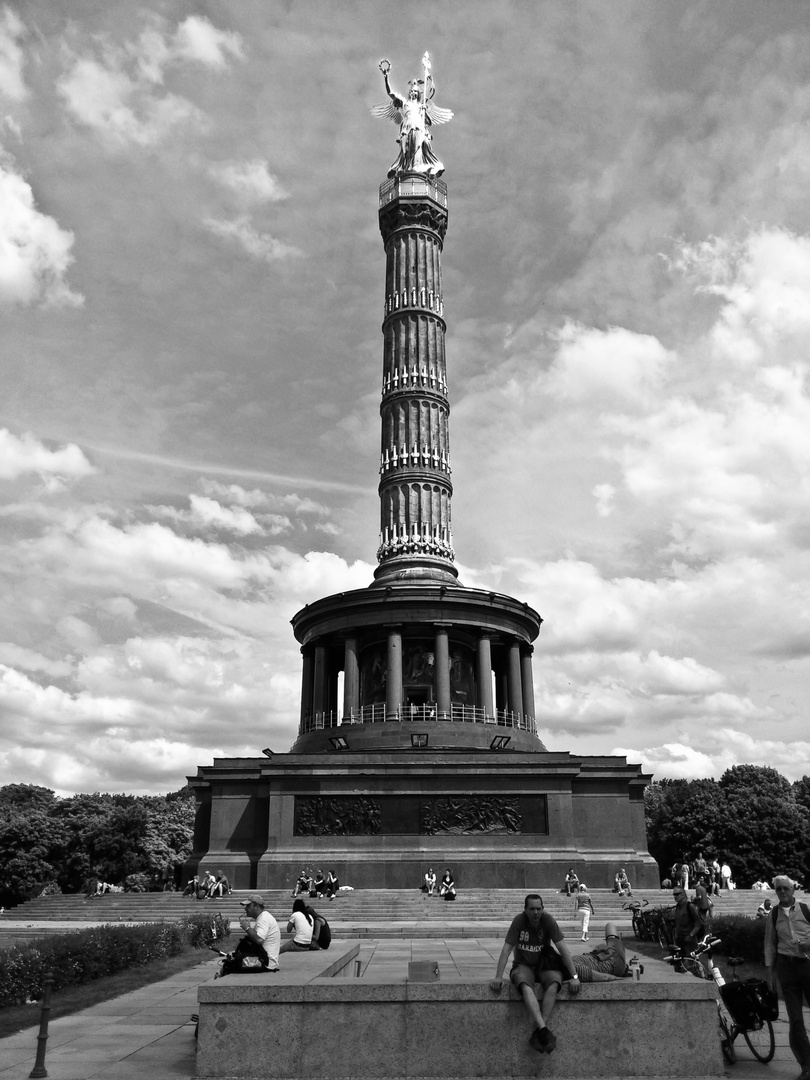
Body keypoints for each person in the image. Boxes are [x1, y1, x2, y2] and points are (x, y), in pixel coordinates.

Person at [490, 893, 579, 1055]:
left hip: (544, 965)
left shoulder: (548, 921)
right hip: (523, 965)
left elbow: (563, 949)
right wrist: (498, 976)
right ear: (525, 910)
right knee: (524, 985)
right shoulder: (518, 921)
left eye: (539, 909)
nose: (536, 913)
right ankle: (544, 1030)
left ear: (543, 909)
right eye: (532, 909)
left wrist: (574, 977)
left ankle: (540, 1030)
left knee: (555, 982)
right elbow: (506, 949)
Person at [371, 56, 453, 178]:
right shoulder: (404, 103)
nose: (413, 93)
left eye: (415, 92)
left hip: (419, 127)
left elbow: (428, 118)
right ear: (409, 93)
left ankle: (417, 169)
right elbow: (390, 93)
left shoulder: (422, 106)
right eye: (412, 92)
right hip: (407, 127)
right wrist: (386, 76)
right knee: (406, 150)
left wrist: (425, 110)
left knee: (418, 148)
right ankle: (406, 169)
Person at [764, 874, 810, 1080]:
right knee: (796, 1021)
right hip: (786, 968)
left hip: (808, 966)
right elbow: (769, 945)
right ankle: (806, 1065)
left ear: (792, 890)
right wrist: (770, 974)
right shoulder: (773, 914)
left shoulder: (806, 909)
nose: (782, 891)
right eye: (778, 889)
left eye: (785, 888)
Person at [219, 894, 280, 976]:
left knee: (228, 967)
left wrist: (247, 928)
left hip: (265, 963)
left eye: (248, 906)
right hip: (265, 960)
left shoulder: (264, 919)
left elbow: (259, 940)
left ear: (256, 906)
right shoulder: (264, 917)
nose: (245, 908)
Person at [671, 885, 704, 971]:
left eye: (677, 894)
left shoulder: (690, 906)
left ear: (682, 894)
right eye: (674, 895)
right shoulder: (677, 907)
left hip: (690, 940)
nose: (675, 897)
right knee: (678, 966)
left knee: (692, 965)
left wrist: (691, 935)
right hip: (680, 940)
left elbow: (699, 923)